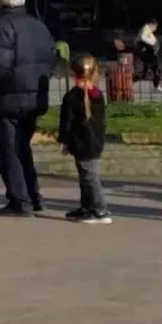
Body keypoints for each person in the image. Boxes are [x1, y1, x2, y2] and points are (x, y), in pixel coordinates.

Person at [0, 0, 56, 217]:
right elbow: (51, 60)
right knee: (21, 148)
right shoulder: (37, 25)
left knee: (7, 150)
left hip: (8, 96)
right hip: (33, 95)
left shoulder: (1, 26)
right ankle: (32, 195)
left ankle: (20, 199)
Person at [58, 54, 111, 224]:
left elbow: (66, 122)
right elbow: (102, 122)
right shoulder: (98, 94)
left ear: (74, 74)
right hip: (95, 142)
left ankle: (100, 209)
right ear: (95, 73)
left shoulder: (72, 96)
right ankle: (87, 207)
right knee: (86, 177)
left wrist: (64, 141)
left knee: (90, 178)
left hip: (81, 143)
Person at [137, 18, 162, 93]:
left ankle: (156, 87)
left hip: (150, 55)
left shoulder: (147, 31)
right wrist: (151, 46)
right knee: (150, 72)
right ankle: (156, 87)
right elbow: (142, 40)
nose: (155, 28)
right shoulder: (145, 30)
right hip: (148, 56)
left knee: (154, 71)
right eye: (155, 26)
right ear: (150, 24)